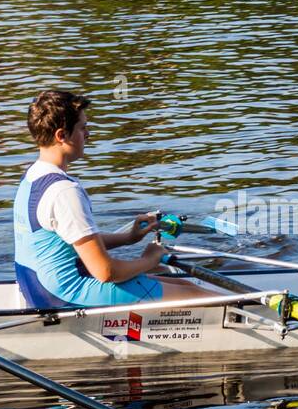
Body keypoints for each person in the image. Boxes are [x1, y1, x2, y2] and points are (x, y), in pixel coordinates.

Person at [14, 90, 215, 308]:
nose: (88, 134)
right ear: (61, 136)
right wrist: (150, 260)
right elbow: (106, 272)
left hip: (40, 290)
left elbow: (71, 240)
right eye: (82, 128)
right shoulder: (64, 191)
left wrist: (128, 238)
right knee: (211, 300)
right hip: (66, 297)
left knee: (186, 286)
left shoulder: (33, 176)